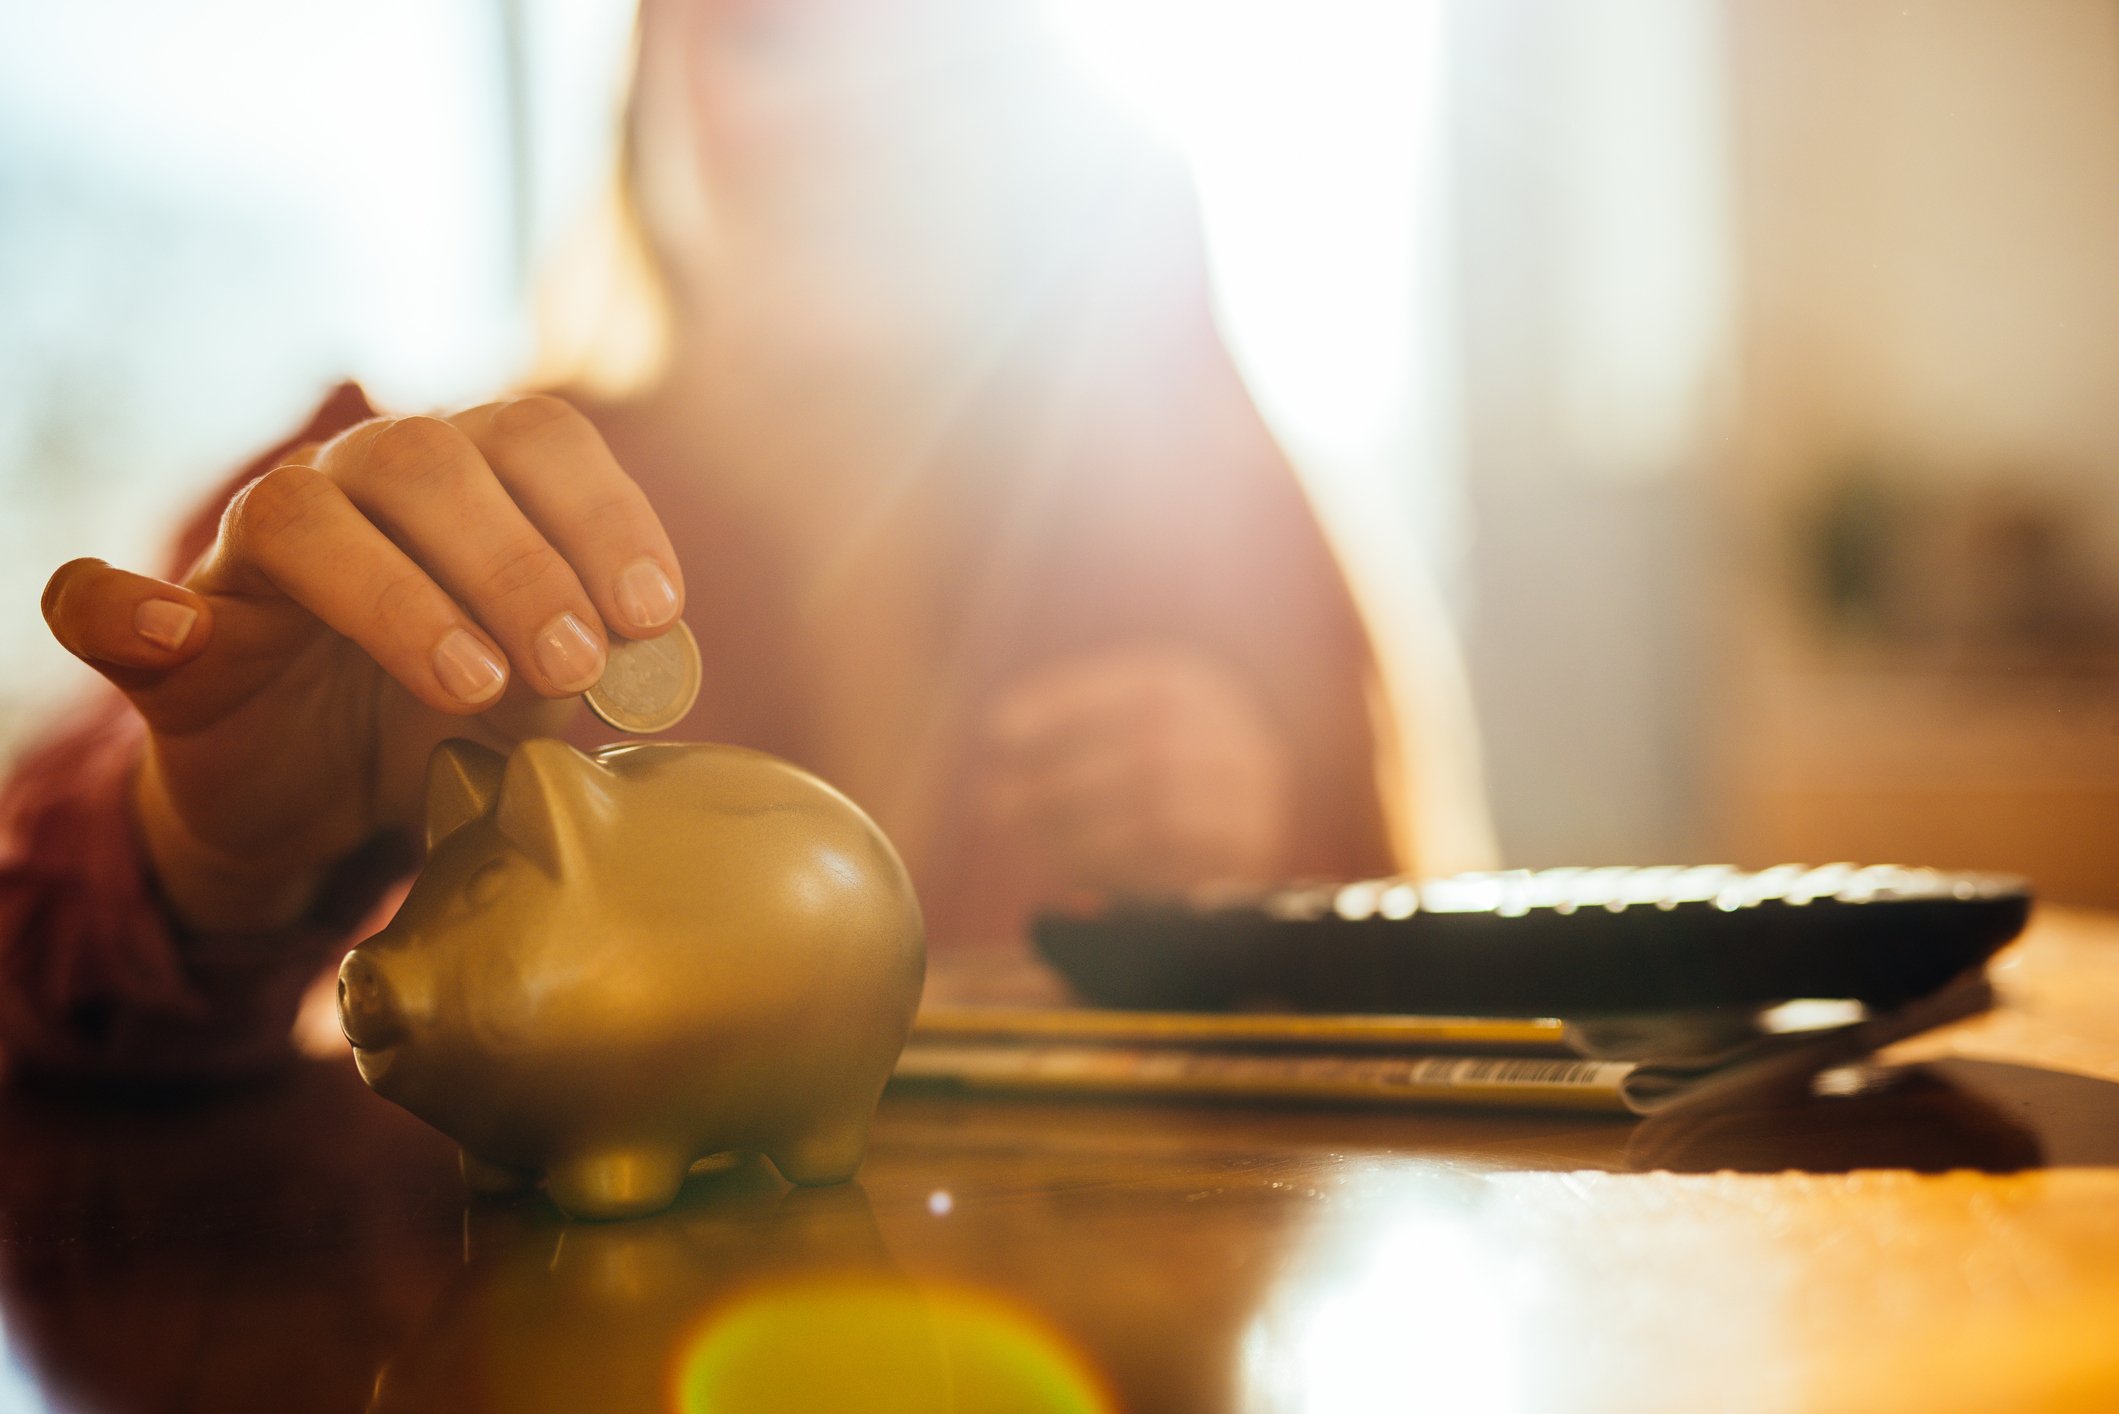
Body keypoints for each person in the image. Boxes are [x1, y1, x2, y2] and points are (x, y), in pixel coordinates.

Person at [0, 0, 1451, 1080]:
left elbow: (1446, 1016)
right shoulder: (382, 521)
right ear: (648, 79)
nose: (873, 90)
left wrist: (1265, 862)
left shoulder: (1210, 520)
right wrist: (203, 862)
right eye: (782, 24)